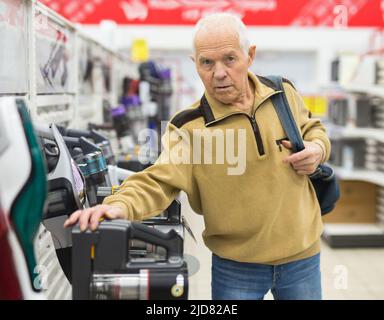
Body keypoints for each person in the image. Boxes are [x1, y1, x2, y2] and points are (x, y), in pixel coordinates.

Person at [64, 13, 330, 300]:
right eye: (207, 62)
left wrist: (317, 149)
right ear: (196, 64)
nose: (218, 73)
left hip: (302, 257)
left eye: (229, 59)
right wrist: (118, 205)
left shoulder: (282, 93)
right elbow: (159, 180)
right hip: (237, 268)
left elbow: (314, 130)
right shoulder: (190, 126)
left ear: (249, 55)